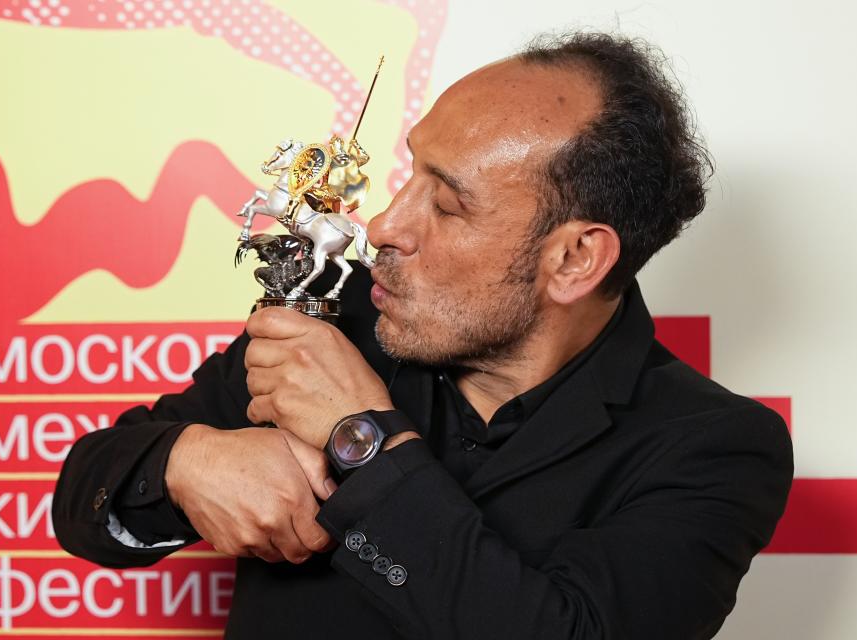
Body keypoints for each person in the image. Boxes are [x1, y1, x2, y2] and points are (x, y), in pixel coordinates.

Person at [53, 32, 793, 639]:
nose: (382, 227)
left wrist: (360, 436)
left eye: (445, 204)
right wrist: (188, 461)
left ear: (573, 258)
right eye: (410, 175)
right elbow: (87, 489)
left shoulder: (713, 448)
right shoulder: (334, 317)